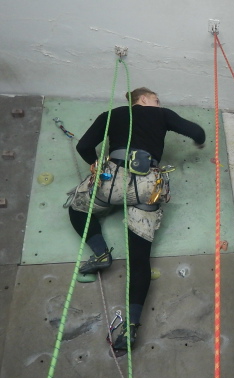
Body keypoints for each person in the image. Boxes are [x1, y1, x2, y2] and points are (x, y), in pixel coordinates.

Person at [68, 87, 205, 353]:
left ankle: (100, 253)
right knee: (139, 259)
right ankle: (130, 327)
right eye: (156, 99)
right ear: (143, 99)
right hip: (147, 186)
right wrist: (198, 142)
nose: (159, 103)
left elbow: (83, 146)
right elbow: (197, 132)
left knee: (77, 209)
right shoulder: (162, 115)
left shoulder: (112, 114)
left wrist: (96, 165)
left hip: (111, 181)